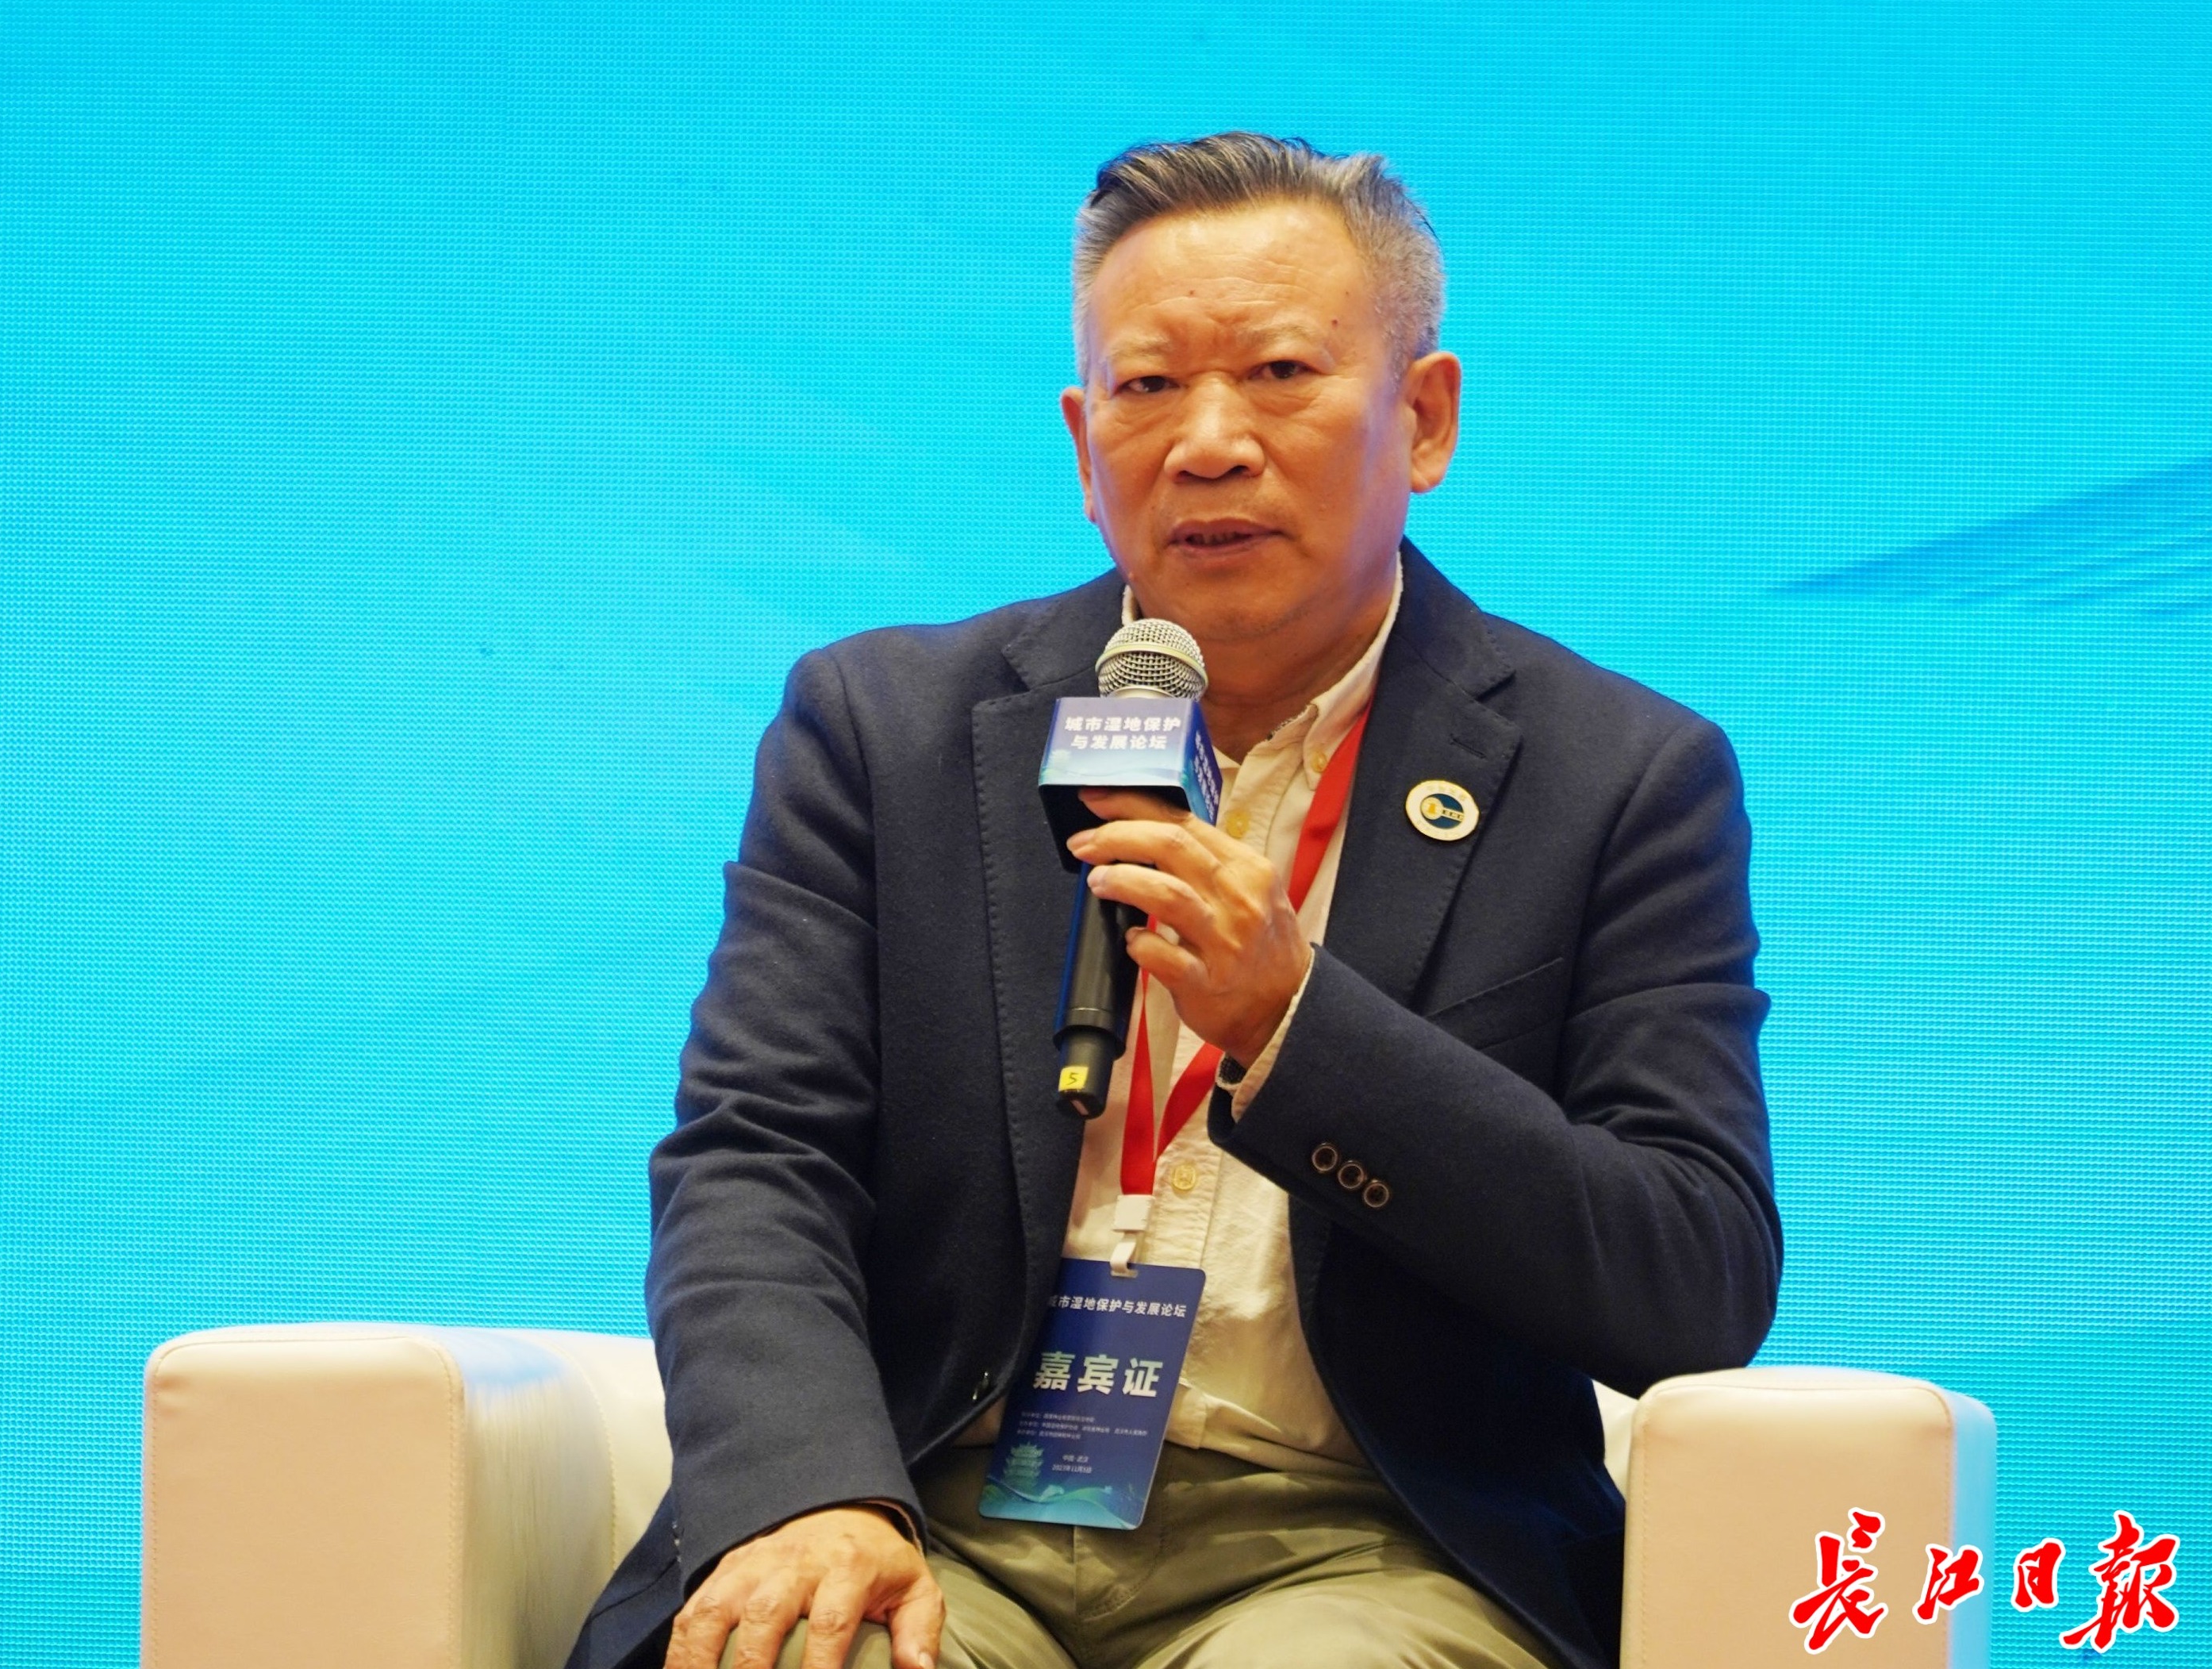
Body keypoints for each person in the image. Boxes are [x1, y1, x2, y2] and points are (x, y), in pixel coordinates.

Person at [567, 133, 1779, 1669]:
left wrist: (1297, 1025)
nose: (1207, 444)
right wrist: (811, 1492)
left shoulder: (1616, 776)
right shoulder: (883, 729)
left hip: (1367, 1547)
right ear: (1086, 447)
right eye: (1146, 388)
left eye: (1278, 374)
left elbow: (1690, 1273)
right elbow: (759, 1155)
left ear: (1421, 419)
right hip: (934, 1503)